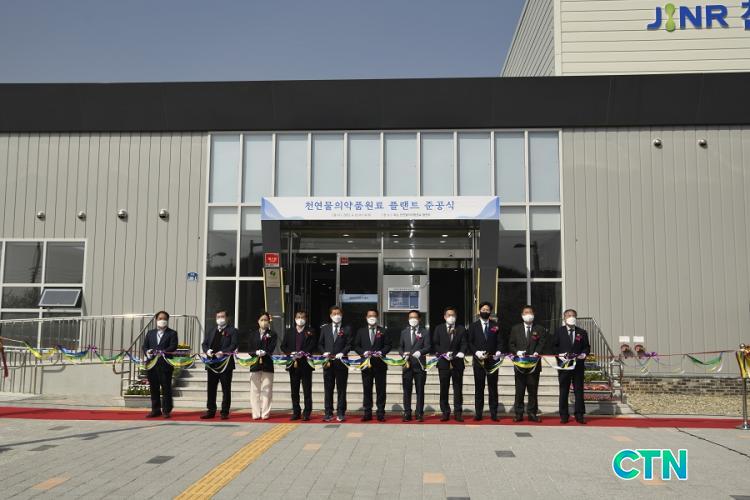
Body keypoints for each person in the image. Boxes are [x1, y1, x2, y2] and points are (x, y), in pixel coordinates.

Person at [508, 305, 548, 422]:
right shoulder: (516, 328)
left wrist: (537, 352)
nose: (528, 315)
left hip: (534, 365)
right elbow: (511, 344)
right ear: (522, 315)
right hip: (520, 365)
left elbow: (542, 342)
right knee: (519, 391)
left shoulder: (539, 329)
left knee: (533, 391)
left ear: (533, 315)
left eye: (530, 312)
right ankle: (519, 414)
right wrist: (517, 351)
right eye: (526, 313)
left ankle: (532, 413)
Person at [353, 308, 392, 422]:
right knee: (367, 389)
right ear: (366, 317)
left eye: (374, 315)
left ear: (377, 317)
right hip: (366, 365)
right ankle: (367, 412)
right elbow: (356, 345)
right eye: (369, 316)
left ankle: (380, 412)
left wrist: (382, 352)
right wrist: (362, 352)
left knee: (381, 390)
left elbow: (388, 345)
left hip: (380, 365)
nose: (372, 318)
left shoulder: (383, 330)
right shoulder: (361, 331)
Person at [466, 301, 503, 421]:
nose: (485, 311)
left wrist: (499, 351)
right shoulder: (473, 326)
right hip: (479, 361)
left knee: (493, 388)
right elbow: (469, 342)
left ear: (490, 312)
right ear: (479, 311)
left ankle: (494, 413)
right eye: (483, 309)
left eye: (487, 310)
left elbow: (500, 341)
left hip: (493, 361)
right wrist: (476, 352)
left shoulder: (495, 325)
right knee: (479, 388)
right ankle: (478, 413)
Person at [552, 309, 590, 424]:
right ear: (564, 318)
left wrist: (584, 354)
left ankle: (579, 414)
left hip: (578, 365)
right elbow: (553, 346)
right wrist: (559, 355)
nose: (571, 317)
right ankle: (564, 415)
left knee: (579, 390)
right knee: (564, 389)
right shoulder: (559, 331)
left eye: (573, 315)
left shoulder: (582, 332)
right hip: (564, 364)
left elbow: (586, 347)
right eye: (569, 315)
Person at [200, 309, 239, 420]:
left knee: (226, 389)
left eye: (222, 316)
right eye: (218, 317)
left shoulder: (232, 331)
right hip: (212, 363)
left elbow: (234, 344)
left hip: (225, 363)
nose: (220, 319)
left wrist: (223, 352)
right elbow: (204, 344)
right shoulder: (212, 330)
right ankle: (211, 410)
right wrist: (207, 351)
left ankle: (224, 412)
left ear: (227, 318)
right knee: (211, 388)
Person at [432, 306, 468, 422]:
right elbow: (435, 344)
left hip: (457, 362)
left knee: (457, 388)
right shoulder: (439, 328)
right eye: (449, 315)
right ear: (444, 317)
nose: (451, 317)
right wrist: (443, 353)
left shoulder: (461, 329)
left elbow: (464, 343)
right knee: (444, 388)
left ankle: (458, 412)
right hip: (443, 363)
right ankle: (445, 412)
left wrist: (462, 352)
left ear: (456, 317)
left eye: (453, 315)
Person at [280, 310, 317, 421]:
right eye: (298, 317)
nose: (300, 319)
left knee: (307, 389)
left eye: (302, 317)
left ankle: (307, 412)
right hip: (293, 364)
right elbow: (283, 346)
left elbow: (313, 344)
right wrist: (290, 353)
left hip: (306, 364)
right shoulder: (289, 331)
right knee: (294, 390)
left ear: (306, 319)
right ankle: (296, 412)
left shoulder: (310, 331)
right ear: (295, 318)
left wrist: (303, 352)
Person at [318, 305, 352, 422]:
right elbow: (320, 344)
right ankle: (328, 412)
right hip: (328, 363)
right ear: (330, 315)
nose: (337, 316)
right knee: (328, 389)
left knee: (341, 389)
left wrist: (343, 352)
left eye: (338, 314)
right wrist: (324, 352)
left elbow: (349, 344)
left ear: (342, 315)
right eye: (334, 314)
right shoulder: (325, 328)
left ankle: (341, 412)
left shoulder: (347, 329)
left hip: (341, 362)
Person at [142, 311, 178, 418]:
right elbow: (144, 346)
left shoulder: (172, 333)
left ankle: (166, 410)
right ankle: (155, 409)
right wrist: (147, 352)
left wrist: (163, 352)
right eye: (160, 318)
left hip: (165, 364)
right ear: (156, 320)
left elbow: (173, 346)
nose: (162, 320)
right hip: (152, 364)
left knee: (166, 387)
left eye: (164, 319)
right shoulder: (150, 333)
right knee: (154, 388)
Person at [399, 310, 430, 422]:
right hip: (407, 365)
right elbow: (400, 347)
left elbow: (428, 347)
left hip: (419, 365)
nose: (413, 319)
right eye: (411, 317)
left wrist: (420, 352)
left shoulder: (424, 332)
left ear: (419, 319)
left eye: (415, 317)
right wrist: (403, 354)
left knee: (420, 390)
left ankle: (419, 413)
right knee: (407, 390)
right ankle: (407, 413)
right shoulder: (404, 332)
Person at [247, 311, 278, 420]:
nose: (264, 322)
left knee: (267, 390)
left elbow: (272, 347)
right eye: (262, 320)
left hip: (267, 364)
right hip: (255, 364)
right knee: (254, 390)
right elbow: (249, 349)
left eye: (266, 320)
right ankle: (255, 413)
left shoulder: (272, 334)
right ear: (258, 321)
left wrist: (265, 352)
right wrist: (255, 352)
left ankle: (265, 413)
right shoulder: (252, 334)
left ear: (269, 321)